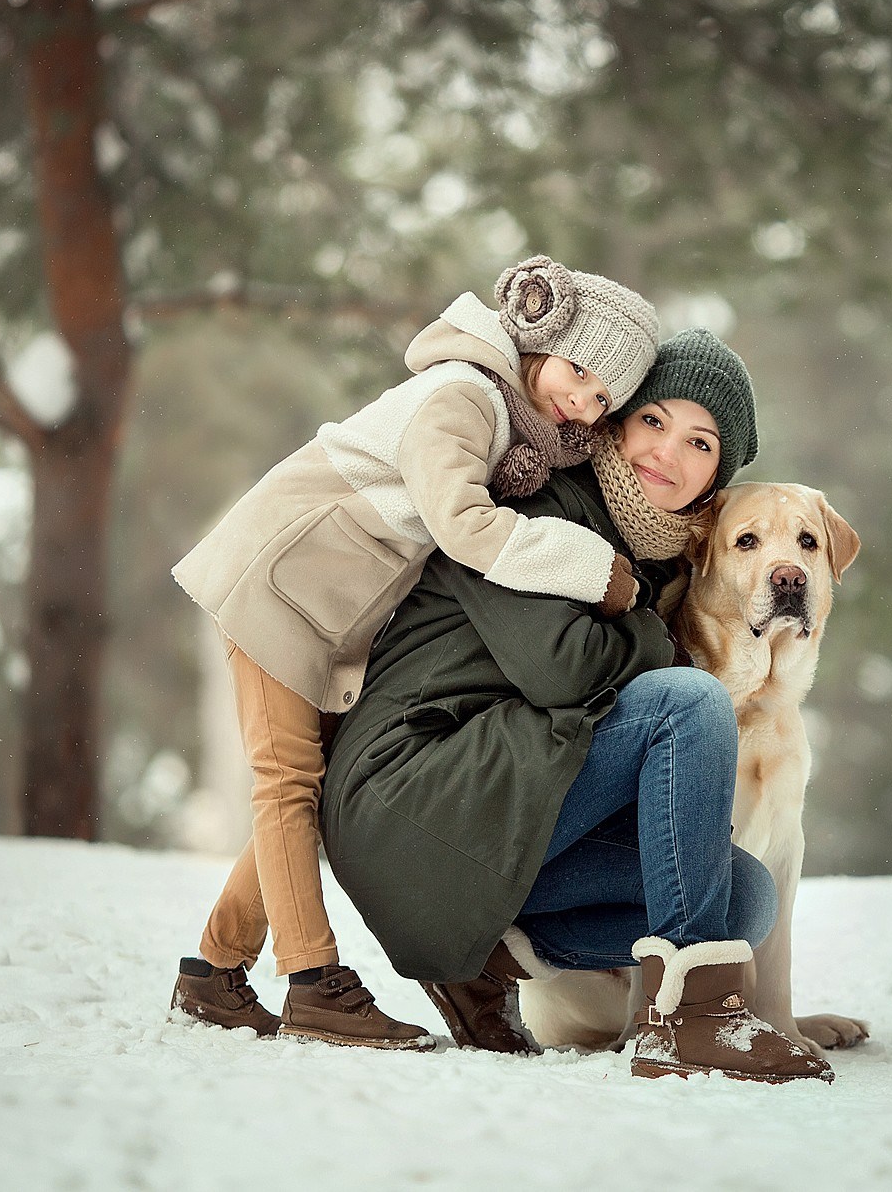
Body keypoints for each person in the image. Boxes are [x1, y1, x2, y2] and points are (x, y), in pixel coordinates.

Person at [167, 256, 658, 1047]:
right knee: (290, 785)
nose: (582, 403)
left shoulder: (503, 413)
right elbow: (463, 524)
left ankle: (215, 973)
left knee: (312, 787)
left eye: (603, 399)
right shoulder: (461, 397)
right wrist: (592, 568)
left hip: (316, 607)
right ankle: (312, 982)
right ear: (542, 335)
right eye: (579, 373)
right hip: (275, 585)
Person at [323, 329, 831, 1082]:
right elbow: (557, 666)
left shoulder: (654, 550)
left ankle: (509, 949)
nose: (667, 453)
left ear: (719, 473)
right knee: (684, 700)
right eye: (653, 421)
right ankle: (692, 1024)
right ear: (614, 423)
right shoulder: (538, 500)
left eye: (700, 441)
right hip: (417, 800)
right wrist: (663, 644)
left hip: (502, 828)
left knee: (744, 898)